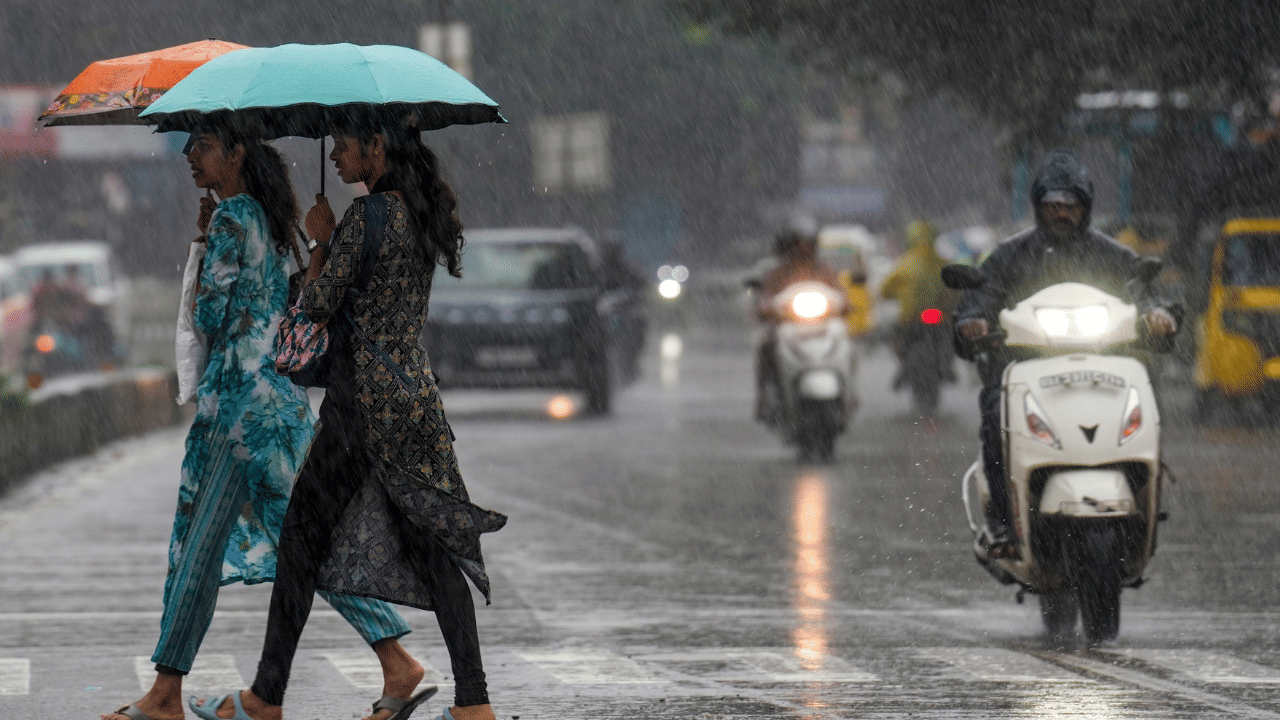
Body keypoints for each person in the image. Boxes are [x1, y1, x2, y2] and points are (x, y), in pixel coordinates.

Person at [189, 110, 506, 720]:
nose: (334, 156)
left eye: (343, 145)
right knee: (430, 548)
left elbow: (316, 305)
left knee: (300, 542)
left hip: (358, 406)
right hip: (413, 400)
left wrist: (319, 243)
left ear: (375, 146)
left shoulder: (367, 216)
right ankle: (474, 702)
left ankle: (266, 697)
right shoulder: (420, 215)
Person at [104, 121, 424, 720]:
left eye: (201, 146)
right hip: (274, 402)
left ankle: (393, 660)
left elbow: (209, 316)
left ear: (236, 154)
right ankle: (169, 692)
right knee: (268, 545)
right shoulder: (272, 220)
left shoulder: (232, 218)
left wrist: (204, 245)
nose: (189, 156)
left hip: (237, 412)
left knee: (213, 547)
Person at [952, 148, 1180, 557]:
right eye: (1053, 204)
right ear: (1039, 206)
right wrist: (973, 321)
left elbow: (1145, 292)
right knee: (995, 412)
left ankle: (1142, 504)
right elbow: (980, 296)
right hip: (1026, 366)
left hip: (1105, 365)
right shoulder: (1009, 255)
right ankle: (1004, 523)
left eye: (1070, 204)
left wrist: (1160, 314)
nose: (1061, 212)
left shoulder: (1112, 254)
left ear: (1085, 207)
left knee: (1147, 403)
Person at [754, 221, 844, 421]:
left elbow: (840, 292)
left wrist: (846, 304)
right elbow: (765, 297)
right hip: (786, 327)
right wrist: (765, 308)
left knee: (848, 345)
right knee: (765, 347)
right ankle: (764, 398)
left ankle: (849, 391)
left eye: (807, 243)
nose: (803, 248)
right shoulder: (777, 272)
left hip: (822, 326)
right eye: (797, 243)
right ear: (787, 246)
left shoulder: (825, 270)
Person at [879, 220, 957, 397]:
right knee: (953, 334)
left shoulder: (903, 263)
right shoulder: (943, 263)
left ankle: (903, 366)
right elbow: (955, 290)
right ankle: (948, 366)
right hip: (939, 316)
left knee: (895, 337)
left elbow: (885, 290)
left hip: (912, 317)